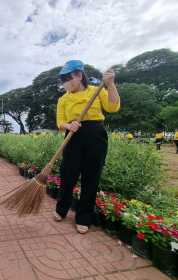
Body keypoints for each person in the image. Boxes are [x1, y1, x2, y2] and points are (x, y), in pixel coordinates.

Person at [54, 60, 120, 234]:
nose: (65, 83)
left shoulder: (96, 91)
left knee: (91, 177)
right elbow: (59, 121)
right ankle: (61, 208)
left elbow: (112, 107)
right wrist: (68, 126)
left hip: (95, 135)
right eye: (63, 80)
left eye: (68, 78)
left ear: (79, 75)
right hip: (73, 136)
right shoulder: (63, 99)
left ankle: (83, 217)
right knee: (68, 174)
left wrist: (111, 85)